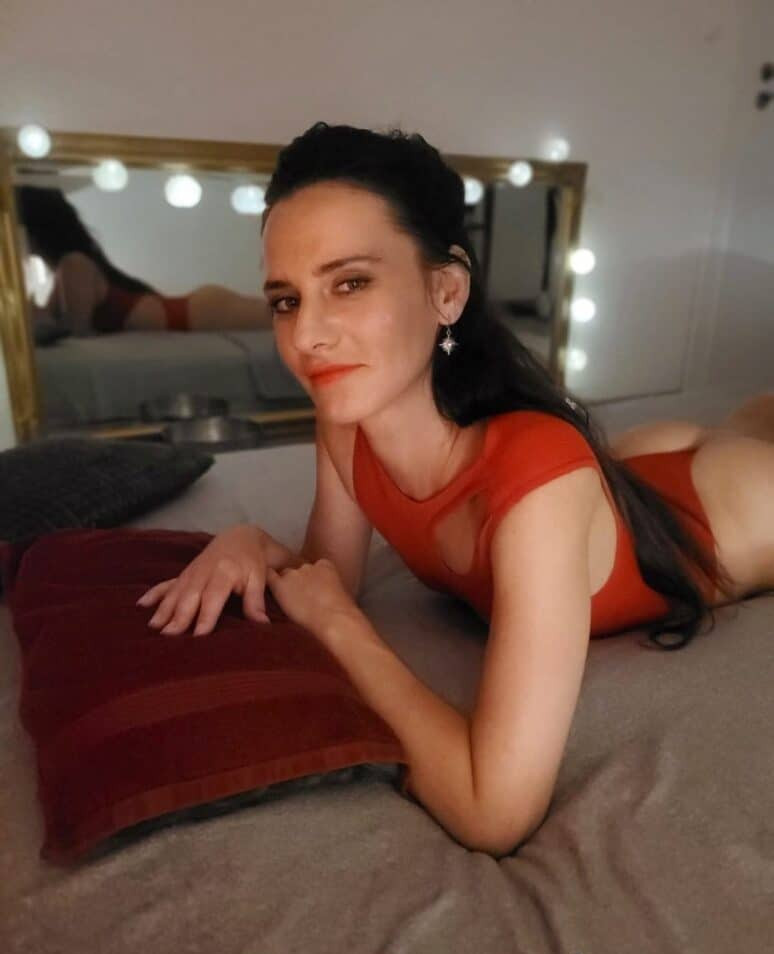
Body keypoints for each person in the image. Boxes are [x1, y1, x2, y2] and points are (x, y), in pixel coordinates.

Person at [135, 122, 774, 856]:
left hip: (737, 506)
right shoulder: (346, 422)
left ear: (446, 290)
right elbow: (326, 575)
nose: (307, 335)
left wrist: (343, 630)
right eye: (286, 299)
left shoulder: (536, 480)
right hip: (629, 475)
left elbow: (492, 811)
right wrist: (249, 543)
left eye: (350, 283)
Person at [15, 186, 273, 336]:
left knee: (287, 317)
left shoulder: (74, 264)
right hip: (190, 312)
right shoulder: (68, 268)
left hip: (195, 313)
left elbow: (77, 331)